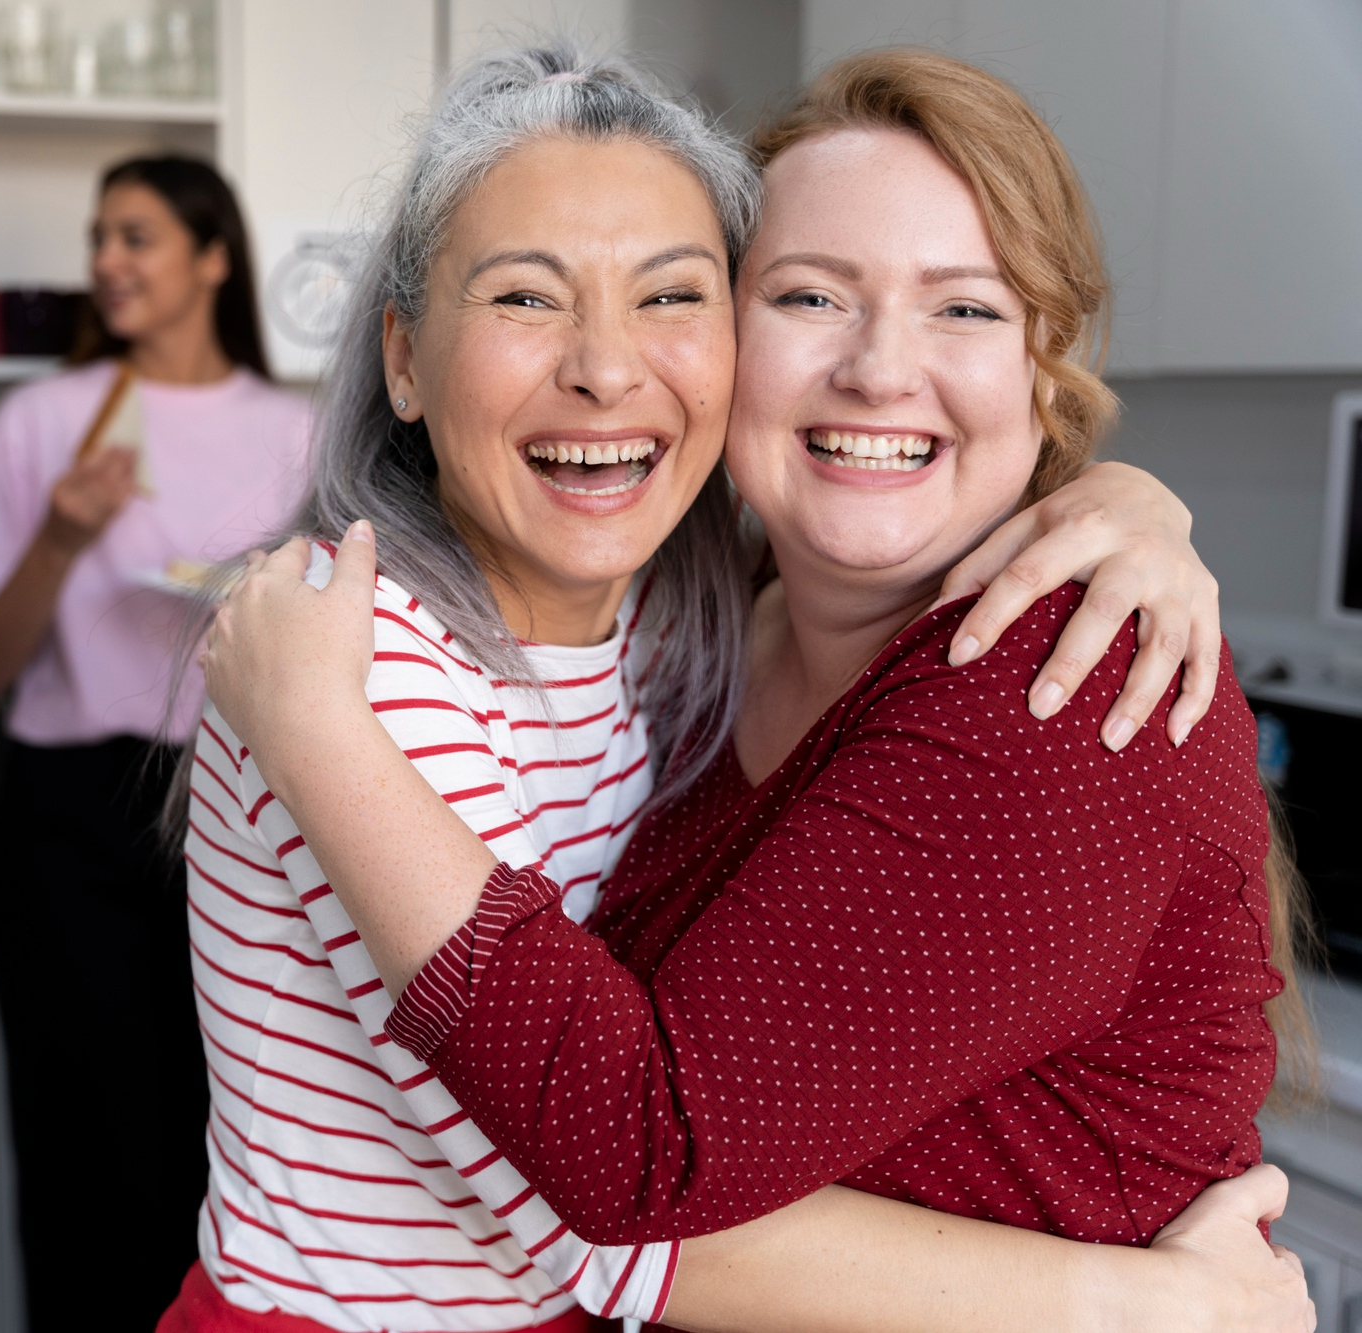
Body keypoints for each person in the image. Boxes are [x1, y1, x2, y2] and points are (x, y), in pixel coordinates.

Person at [195, 46, 1312, 1333]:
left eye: (964, 308)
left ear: (1040, 367)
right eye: (808, 298)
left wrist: (1138, 503)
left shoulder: (1055, 686)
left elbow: (610, 1177)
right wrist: (1147, 1306)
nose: (879, 371)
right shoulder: (699, 625)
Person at [0, 154, 312, 1330]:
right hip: (74, 822)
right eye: (99, 236)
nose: (106, 260)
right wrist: (57, 537)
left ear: (212, 257)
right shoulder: (45, 421)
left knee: (242, 1148)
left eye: (137, 235)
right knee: (83, 1156)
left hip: (252, 807)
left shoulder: (300, 430)